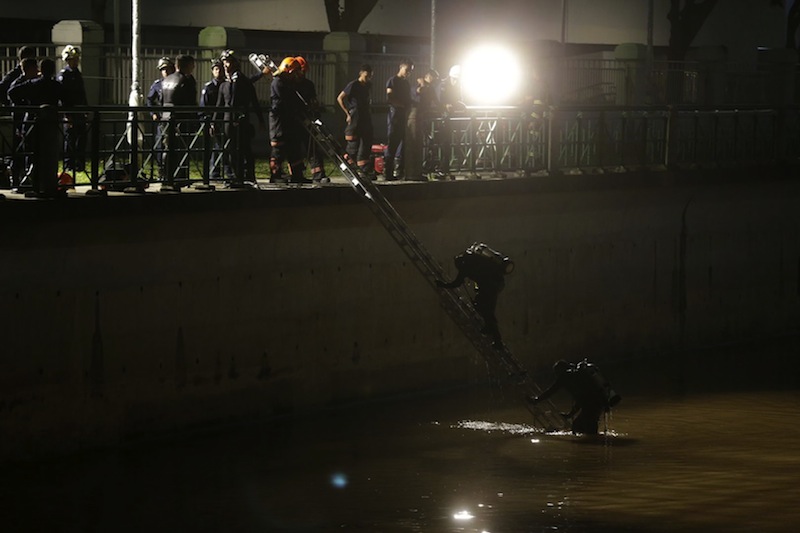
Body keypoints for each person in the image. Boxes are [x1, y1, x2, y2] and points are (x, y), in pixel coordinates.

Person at [436, 242, 514, 347]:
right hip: (496, 284)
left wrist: (443, 285)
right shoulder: (474, 259)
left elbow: (457, 283)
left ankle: (497, 341)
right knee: (485, 308)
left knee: (486, 310)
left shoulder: (465, 266)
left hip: (489, 287)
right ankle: (489, 329)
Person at [528, 359, 621, 435]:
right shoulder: (576, 376)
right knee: (580, 427)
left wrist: (536, 400)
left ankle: (592, 453)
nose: (556, 376)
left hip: (592, 405)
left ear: (560, 371)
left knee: (582, 429)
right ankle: (592, 450)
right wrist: (570, 414)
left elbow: (551, 391)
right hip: (598, 403)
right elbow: (581, 399)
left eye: (556, 373)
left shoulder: (565, 377)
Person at [214, 50, 266, 187]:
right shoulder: (224, 84)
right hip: (227, 122)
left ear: (236, 63)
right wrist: (213, 123)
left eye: (228, 62)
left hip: (242, 121)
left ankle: (249, 176)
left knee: (245, 149)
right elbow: (219, 106)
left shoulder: (243, 82)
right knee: (231, 150)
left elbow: (254, 102)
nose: (225, 65)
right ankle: (235, 177)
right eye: (224, 62)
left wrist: (261, 120)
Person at [269, 56, 308, 184]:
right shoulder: (278, 82)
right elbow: (286, 101)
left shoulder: (288, 83)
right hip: (279, 120)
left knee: (294, 147)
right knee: (278, 148)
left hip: (289, 120)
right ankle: (276, 175)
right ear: (290, 70)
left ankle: (297, 174)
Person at [161, 54, 197, 184]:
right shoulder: (186, 80)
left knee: (167, 147)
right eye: (192, 65)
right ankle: (180, 177)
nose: (193, 67)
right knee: (182, 149)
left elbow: (161, 100)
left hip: (166, 118)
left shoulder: (166, 80)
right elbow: (190, 102)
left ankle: (166, 175)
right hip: (181, 119)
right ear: (187, 66)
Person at [294, 56, 328, 183]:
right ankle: (297, 174)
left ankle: (318, 174)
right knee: (295, 149)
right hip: (294, 120)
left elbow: (313, 100)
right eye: (300, 71)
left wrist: (316, 113)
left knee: (312, 146)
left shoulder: (308, 84)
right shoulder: (289, 85)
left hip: (308, 119)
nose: (302, 74)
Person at [337, 63, 374, 178]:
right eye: (366, 76)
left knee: (366, 141)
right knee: (353, 143)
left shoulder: (368, 85)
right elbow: (340, 98)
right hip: (355, 115)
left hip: (365, 115)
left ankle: (363, 170)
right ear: (361, 73)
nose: (368, 78)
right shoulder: (353, 85)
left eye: (370, 76)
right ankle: (349, 168)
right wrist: (347, 113)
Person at [57, 44, 88, 173]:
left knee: (81, 138)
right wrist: (66, 114)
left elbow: (82, 93)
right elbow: (62, 96)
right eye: (74, 59)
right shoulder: (64, 75)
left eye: (77, 59)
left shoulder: (77, 74)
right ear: (68, 60)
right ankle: (68, 165)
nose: (76, 61)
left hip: (80, 111)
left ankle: (79, 164)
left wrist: (86, 109)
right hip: (70, 112)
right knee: (70, 139)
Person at [405, 68, 440, 181]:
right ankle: (411, 173)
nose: (434, 82)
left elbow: (436, 101)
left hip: (423, 117)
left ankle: (418, 171)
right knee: (413, 144)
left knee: (420, 145)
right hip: (414, 117)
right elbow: (418, 92)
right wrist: (423, 84)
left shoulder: (430, 88)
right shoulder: (419, 86)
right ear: (428, 77)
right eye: (433, 79)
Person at [383, 58, 414, 181]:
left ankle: (400, 170)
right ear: (401, 67)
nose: (408, 73)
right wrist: (402, 105)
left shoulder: (406, 83)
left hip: (405, 117)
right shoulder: (393, 81)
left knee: (404, 144)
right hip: (395, 116)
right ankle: (388, 171)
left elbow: (408, 98)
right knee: (393, 143)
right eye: (407, 70)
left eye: (410, 71)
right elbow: (390, 98)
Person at [200, 58, 230, 180]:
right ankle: (215, 172)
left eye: (220, 69)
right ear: (212, 71)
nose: (219, 71)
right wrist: (207, 122)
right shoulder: (209, 87)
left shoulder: (227, 85)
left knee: (223, 146)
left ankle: (220, 172)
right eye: (216, 69)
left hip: (225, 119)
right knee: (217, 146)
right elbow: (204, 106)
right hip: (212, 121)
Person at [146, 57, 175, 175]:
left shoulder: (177, 82)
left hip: (174, 118)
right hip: (162, 120)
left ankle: (172, 171)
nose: (165, 72)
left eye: (167, 69)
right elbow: (150, 100)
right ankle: (161, 171)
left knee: (173, 146)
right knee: (159, 146)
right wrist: (153, 113)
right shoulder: (157, 85)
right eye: (163, 69)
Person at [436, 64, 466, 179]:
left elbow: (459, 99)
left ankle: (445, 168)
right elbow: (439, 101)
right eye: (455, 79)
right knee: (443, 144)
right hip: (442, 119)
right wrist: (445, 105)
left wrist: (459, 105)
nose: (457, 82)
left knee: (449, 144)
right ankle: (440, 168)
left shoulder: (457, 85)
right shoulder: (443, 84)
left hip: (452, 118)